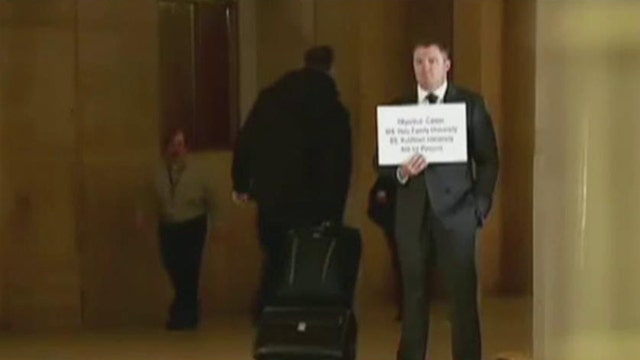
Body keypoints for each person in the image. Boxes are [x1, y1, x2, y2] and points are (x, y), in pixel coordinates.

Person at [376, 41, 499, 360]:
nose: (425, 68)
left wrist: (479, 207)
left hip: (458, 214)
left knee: (462, 301)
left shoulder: (470, 104)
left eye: (432, 61)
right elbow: (381, 161)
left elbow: (488, 160)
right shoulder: (399, 108)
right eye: (418, 61)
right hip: (412, 216)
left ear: (447, 65)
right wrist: (401, 172)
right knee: (413, 298)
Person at [231, 45, 352, 320]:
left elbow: (246, 141)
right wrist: (335, 210)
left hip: (272, 196)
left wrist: (241, 183)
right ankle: (298, 314)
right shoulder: (332, 108)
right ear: (331, 68)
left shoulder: (271, 97)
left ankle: (268, 310)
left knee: (276, 256)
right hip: (314, 201)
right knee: (307, 260)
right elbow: (339, 163)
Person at [138, 128, 214, 330]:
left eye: (180, 144)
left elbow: (212, 198)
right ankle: (184, 308)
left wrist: (218, 223)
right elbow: (150, 198)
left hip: (193, 223)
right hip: (168, 225)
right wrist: (144, 216)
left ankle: (186, 314)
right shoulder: (158, 172)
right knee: (173, 266)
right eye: (173, 144)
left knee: (190, 270)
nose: (177, 149)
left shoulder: (198, 171)